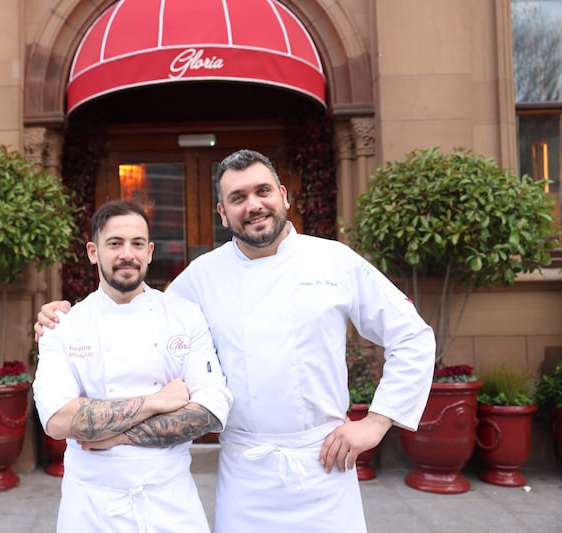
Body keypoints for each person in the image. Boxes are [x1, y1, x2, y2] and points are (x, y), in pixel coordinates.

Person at [35, 150, 435, 532]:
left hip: (324, 461)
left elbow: (412, 336)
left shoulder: (335, 261)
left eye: (263, 191)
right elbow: (137, 313)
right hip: (245, 472)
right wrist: (62, 318)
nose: (254, 205)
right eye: (238, 198)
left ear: (283, 196)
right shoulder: (201, 276)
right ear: (223, 213)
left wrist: (378, 422)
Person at [33, 200, 233, 533]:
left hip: (171, 501)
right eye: (115, 243)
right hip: (91, 506)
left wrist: (117, 436)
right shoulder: (64, 326)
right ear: (93, 252)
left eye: (137, 243)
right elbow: (56, 419)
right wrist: (155, 402)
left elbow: (211, 410)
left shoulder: (184, 316)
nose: (128, 253)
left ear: (150, 251)